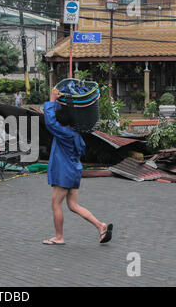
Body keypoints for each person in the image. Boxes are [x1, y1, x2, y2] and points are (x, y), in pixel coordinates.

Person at [42, 88, 113, 245]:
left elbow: (50, 121)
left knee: (56, 204)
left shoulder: (63, 133)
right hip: (74, 171)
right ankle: (101, 226)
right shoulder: (76, 134)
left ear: (61, 122)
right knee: (73, 205)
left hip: (64, 173)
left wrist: (52, 98)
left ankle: (59, 237)